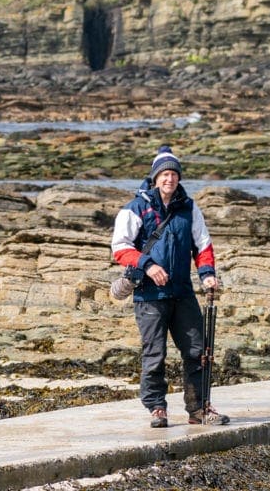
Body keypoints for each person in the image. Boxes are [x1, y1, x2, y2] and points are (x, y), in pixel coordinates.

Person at [110, 145, 229, 428]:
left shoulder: (189, 208)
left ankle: (199, 408)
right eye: (164, 174)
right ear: (155, 178)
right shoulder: (135, 208)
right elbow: (120, 248)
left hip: (183, 293)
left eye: (173, 174)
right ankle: (156, 408)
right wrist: (148, 265)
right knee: (155, 354)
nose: (169, 179)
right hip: (149, 296)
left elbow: (203, 245)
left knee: (197, 351)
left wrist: (207, 274)